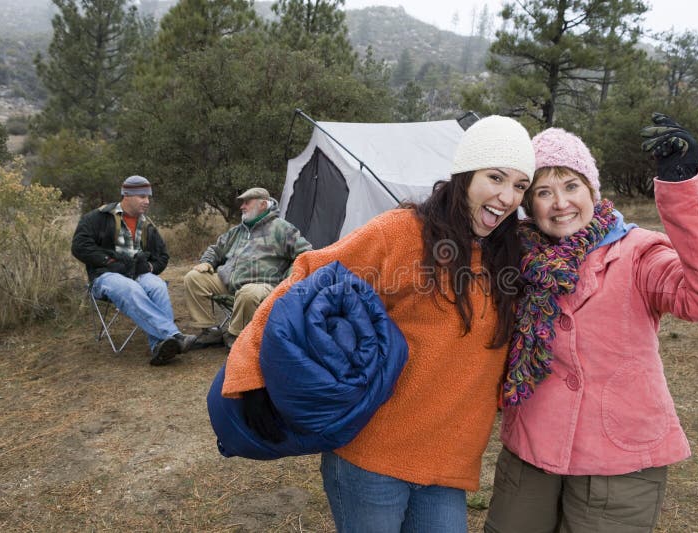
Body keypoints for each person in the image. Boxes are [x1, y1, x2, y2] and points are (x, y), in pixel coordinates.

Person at [221, 115, 536, 532]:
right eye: (495, 177)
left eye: (519, 186)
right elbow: (306, 276)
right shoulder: (403, 233)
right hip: (371, 456)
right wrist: (252, 373)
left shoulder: (513, 255)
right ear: (464, 174)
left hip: (447, 465)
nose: (506, 196)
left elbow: (580, 231)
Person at [484, 115, 698, 533]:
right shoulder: (513, 258)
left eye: (571, 186)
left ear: (591, 189)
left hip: (619, 456)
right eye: (544, 191)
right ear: (529, 204)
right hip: (531, 448)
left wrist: (684, 188)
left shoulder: (638, 252)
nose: (560, 203)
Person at [72, 175, 197, 366]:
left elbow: (162, 256)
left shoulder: (147, 225)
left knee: (157, 285)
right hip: (105, 276)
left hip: (137, 275)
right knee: (130, 288)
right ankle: (173, 335)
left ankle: (160, 348)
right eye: (142, 197)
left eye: (148, 197)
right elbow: (80, 246)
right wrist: (108, 260)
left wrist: (148, 267)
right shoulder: (98, 217)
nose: (147, 201)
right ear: (127, 195)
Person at [183, 187, 312, 349]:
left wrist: (291, 278)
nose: (242, 206)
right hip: (228, 281)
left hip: (263, 285)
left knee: (248, 293)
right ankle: (210, 331)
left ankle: (236, 336)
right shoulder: (238, 231)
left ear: (263, 205)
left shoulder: (282, 228)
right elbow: (216, 249)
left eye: (247, 202)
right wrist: (207, 261)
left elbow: (306, 254)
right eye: (242, 203)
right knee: (193, 278)